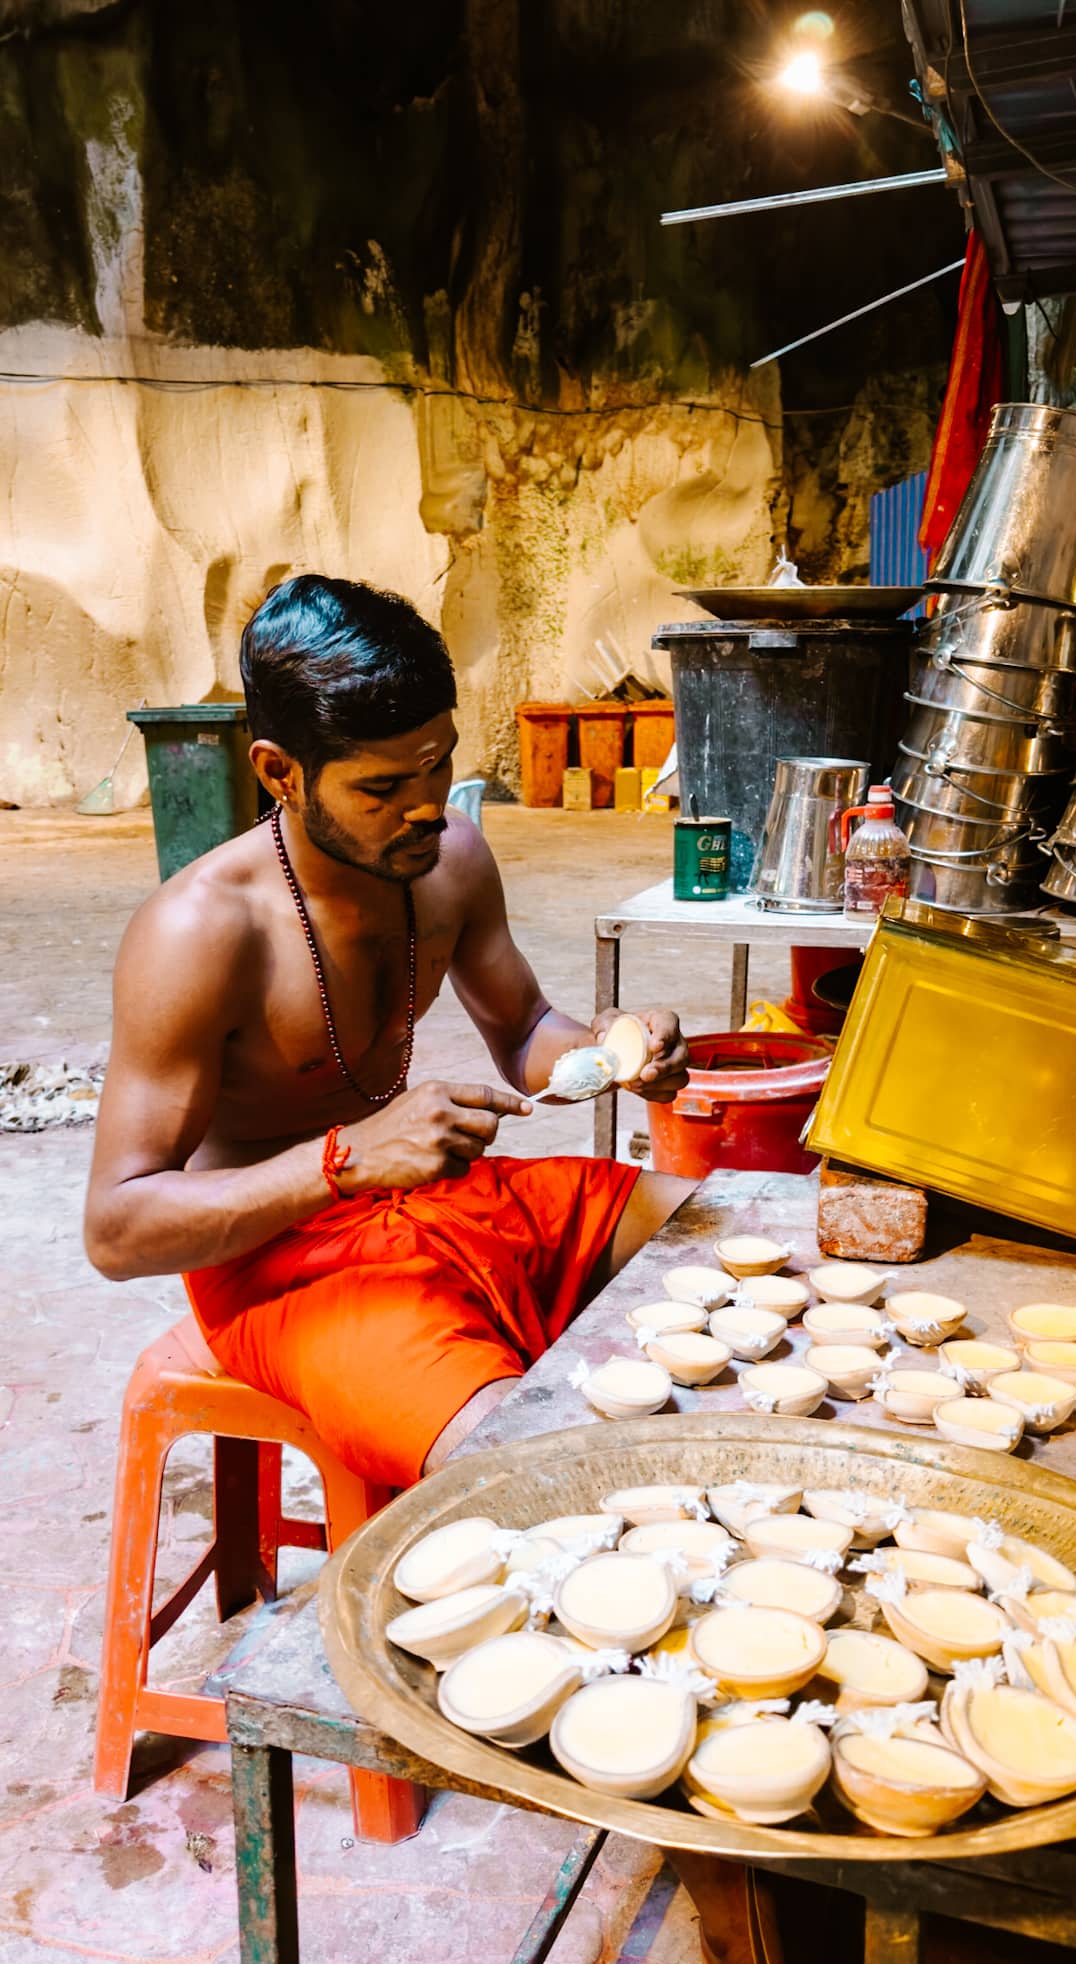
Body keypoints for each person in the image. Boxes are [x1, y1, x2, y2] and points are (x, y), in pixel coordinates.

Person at [84, 575, 693, 1488]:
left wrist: (610, 1052)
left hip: (437, 1203)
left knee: (719, 1242)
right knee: (521, 1472)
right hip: (279, 1267)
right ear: (279, 773)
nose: (423, 806)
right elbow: (118, 1231)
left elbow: (522, 1025)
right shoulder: (199, 932)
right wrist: (345, 1159)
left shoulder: (449, 858)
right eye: (380, 786)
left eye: (438, 763)